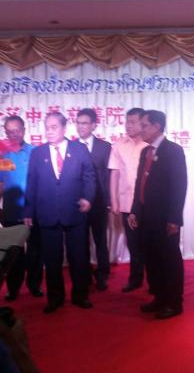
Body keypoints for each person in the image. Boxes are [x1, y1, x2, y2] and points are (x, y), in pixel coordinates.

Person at [24, 111, 96, 313]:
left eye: (54, 127)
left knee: (78, 257)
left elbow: (89, 176)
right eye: (47, 127)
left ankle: (80, 295)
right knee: (52, 260)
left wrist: (88, 198)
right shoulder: (37, 153)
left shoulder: (79, 149)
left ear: (64, 128)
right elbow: (31, 183)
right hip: (47, 213)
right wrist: (28, 210)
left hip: (75, 211)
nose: (49, 131)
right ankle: (55, 298)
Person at [128, 110, 187, 319]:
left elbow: (179, 186)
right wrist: (135, 210)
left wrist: (174, 219)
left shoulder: (173, 151)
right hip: (146, 217)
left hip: (165, 219)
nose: (140, 129)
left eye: (144, 125)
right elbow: (139, 184)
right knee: (151, 259)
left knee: (169, 260)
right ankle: (159, 297)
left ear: (157, 126)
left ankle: (174, 302)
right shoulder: (146, 151)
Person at [0, 116, 43, 301]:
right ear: (5, 132)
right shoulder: (2, 155)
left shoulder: (35, 152)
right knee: (14, 253)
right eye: (10, 131)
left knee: (35, 251)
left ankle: (34, 285)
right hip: (11, 210)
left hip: (33, 210)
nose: (14, 134)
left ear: (24, 130)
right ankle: (13, 288)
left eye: (17, 130)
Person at [108, 107, 148, 292]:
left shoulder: (149, 145)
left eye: (133, 122)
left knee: (150, 242)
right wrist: (114, 201)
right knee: (133, 242)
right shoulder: (119, 145)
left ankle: (155, 280)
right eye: (127, 122)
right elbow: (114, 174)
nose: (128, 126)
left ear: (142, 123)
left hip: (147, 203)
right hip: (126, 203)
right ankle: (135, 279)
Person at [75, 108, 111, 291]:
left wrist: (109, 201)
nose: (80, 126)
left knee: (100, 241)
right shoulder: (71, 146)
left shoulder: (105, 147)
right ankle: (85, 274)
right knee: (81, 241)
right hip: (78, 203)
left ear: (94, 125)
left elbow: (108, 176)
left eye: (84, 123)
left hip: (99, 202)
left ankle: (102, 274)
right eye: (78, 123)